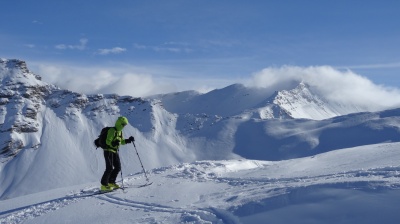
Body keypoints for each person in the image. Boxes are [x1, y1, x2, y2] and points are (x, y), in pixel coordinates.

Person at [100, 116, 135, 191]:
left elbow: (121, 142)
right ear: (119, 123)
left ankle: (111, 182)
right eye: (123, 124)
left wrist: (128, 140)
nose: (124, 126)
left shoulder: (120, 132)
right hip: (108, 151)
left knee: (118, 167)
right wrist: (113, 143)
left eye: (125, 125)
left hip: (115, 151)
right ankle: (104, 185)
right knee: (109, 168)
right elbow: (108, 141)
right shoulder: (112, 130)